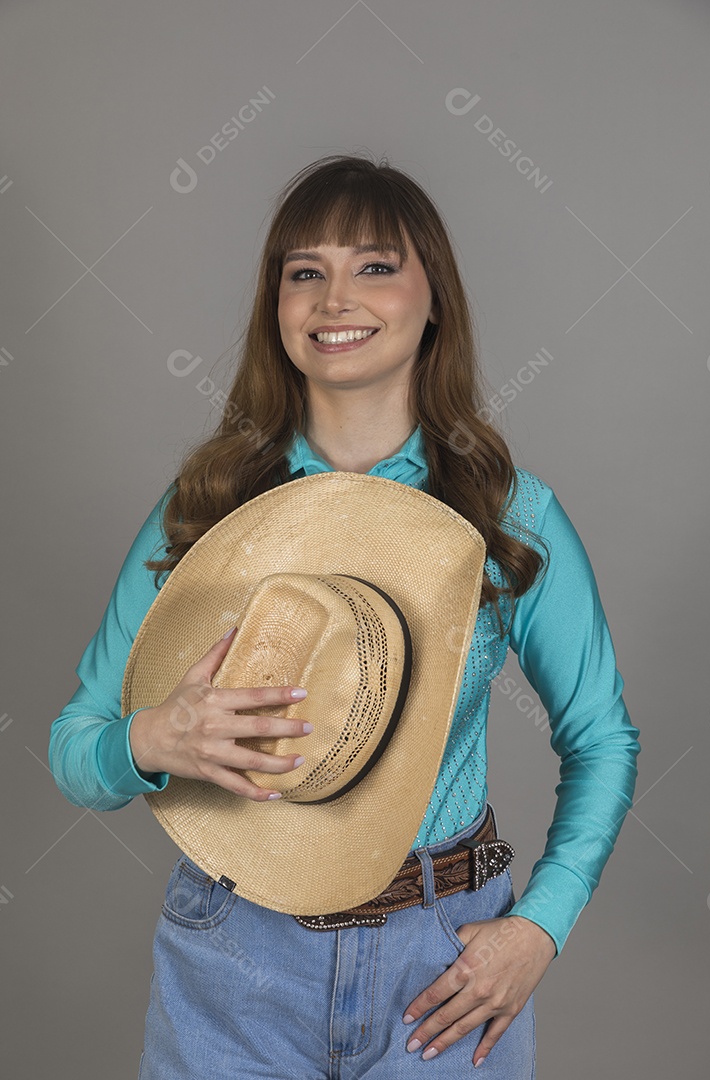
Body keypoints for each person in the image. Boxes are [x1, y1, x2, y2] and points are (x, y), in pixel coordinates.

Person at [49, 153, 641, 1078]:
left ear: (432, 297)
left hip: (447, 955)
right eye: (304, 273)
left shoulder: (506, 515)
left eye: (374, 266)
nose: (335, 299)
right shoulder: (204, 509)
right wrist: (152, 741)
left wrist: (540, 928)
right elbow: (76, 751)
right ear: (275, 306)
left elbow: (602, 737)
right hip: (231, 955)